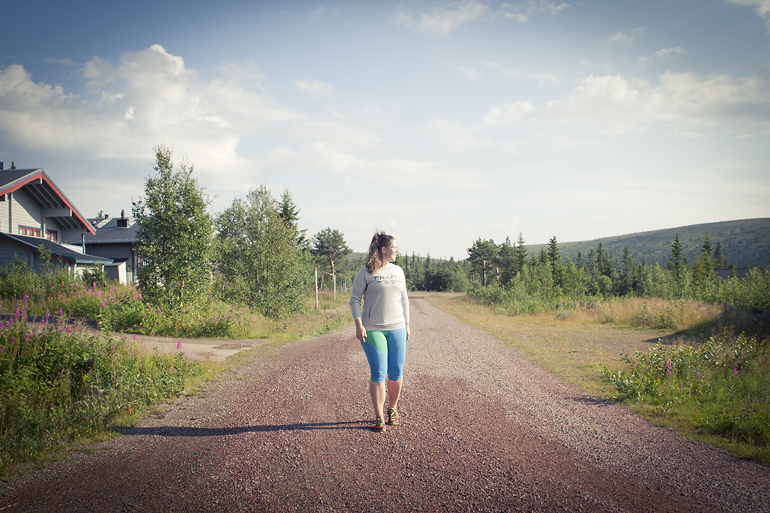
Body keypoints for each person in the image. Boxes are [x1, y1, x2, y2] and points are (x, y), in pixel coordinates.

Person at [349, 230, 410, 433]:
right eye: (394, 247)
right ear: (384, 250)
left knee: (396, 373)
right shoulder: (366, 272)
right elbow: (355, 299)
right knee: (379, 373)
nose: (397, 251)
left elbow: (404, 299)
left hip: (397, 328)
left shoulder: (398, 271)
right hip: (373, 330)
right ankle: (379, 415)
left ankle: (392, 409)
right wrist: (359, 324)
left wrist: (407, 324)